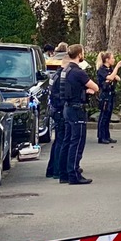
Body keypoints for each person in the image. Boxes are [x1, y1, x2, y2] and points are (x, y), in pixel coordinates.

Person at [60, 44, 99, 185]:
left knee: (67, 141)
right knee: (77, 142)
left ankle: (63, 173)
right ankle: (74, 174)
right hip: (77, 109)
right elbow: (95, 87)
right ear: (79, 54)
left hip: (67, 108)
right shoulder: (78, 72)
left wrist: (82, 90)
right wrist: (87, 90)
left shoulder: (65, 70)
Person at [45, 43, 70, 179]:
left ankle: (52, 169)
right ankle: (58, 170)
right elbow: (61, 95)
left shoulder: (55, 75)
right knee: (61, 141)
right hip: (60, 110)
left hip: (54, 109)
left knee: (57, 141)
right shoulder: (61, 76)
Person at [95, 52, 121, 144]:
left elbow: (117, 78)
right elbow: (110, 77)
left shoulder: (110, 69)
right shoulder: (102, 69)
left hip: (111, 94)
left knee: (108, 116)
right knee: (104, 116)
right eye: (112, 58)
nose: (114, 60)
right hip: (105, 95)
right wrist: (116, 69)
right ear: (107, 60)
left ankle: (107, 135)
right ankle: (101, 137)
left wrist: (112, 76)